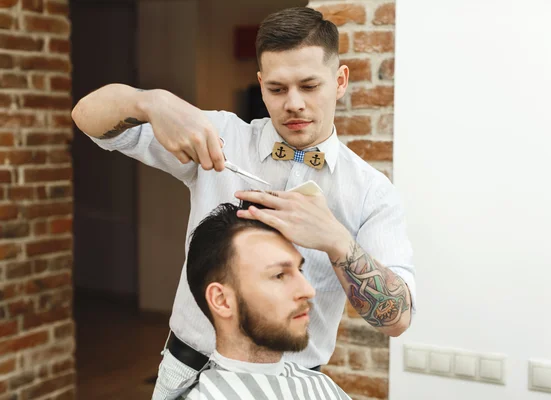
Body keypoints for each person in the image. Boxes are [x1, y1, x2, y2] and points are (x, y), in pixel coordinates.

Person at [71, 7, 416, 400]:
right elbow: (86, 117)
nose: (294, 104)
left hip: (294, 388)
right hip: (188, 377)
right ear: (260, 83)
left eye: (309, 85)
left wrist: (337, 241)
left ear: (339, 81)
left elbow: (397, 319)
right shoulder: (219, 138)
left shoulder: (371, 191)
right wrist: (149, 101)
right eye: (277, 88)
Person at [175, 202, 351, 400]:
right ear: (222, 300)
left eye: (299, 270)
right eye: (279, 275)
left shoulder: (321, 386)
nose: (308, 290)